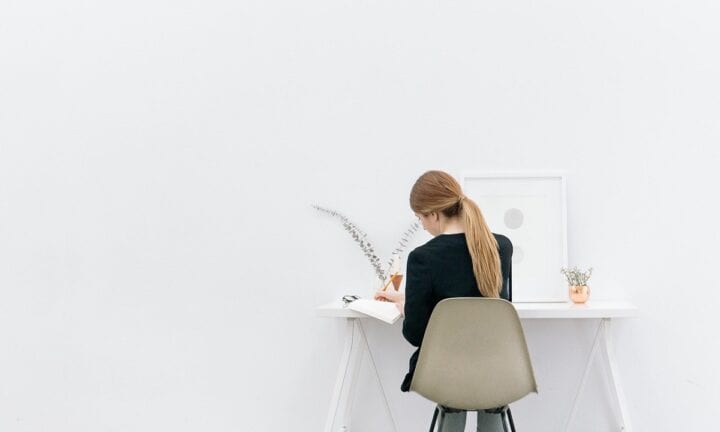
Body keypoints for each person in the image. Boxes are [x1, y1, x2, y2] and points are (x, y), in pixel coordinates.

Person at [375, 170, 513, 432]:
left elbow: (416, 335)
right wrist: (411, 298)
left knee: (453, 372)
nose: (423, 226)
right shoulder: (501, 246)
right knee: (487, 381)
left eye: (420, 219)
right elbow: (499, 310)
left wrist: (407, 308)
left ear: (434, 214)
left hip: (446, 373)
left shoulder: (422, 258)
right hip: (499, 368)